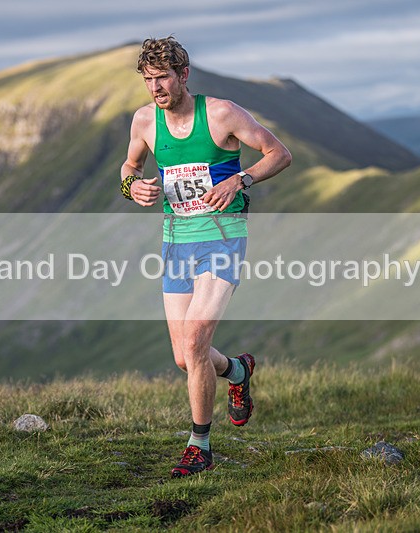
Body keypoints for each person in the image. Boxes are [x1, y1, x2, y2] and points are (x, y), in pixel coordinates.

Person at [120, 36, 291, 478]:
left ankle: (200, 446)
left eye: (163, 78)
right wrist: (131, 187)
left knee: (195, 342)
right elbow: (129, 167)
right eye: (148, 80)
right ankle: (236, 371)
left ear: (183, 76)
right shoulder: (144, 121)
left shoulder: (221, 114)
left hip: (223, 236)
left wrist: (243, 179)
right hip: (176, 240)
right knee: (184, 357)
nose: (155, 88)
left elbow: (279, 153)